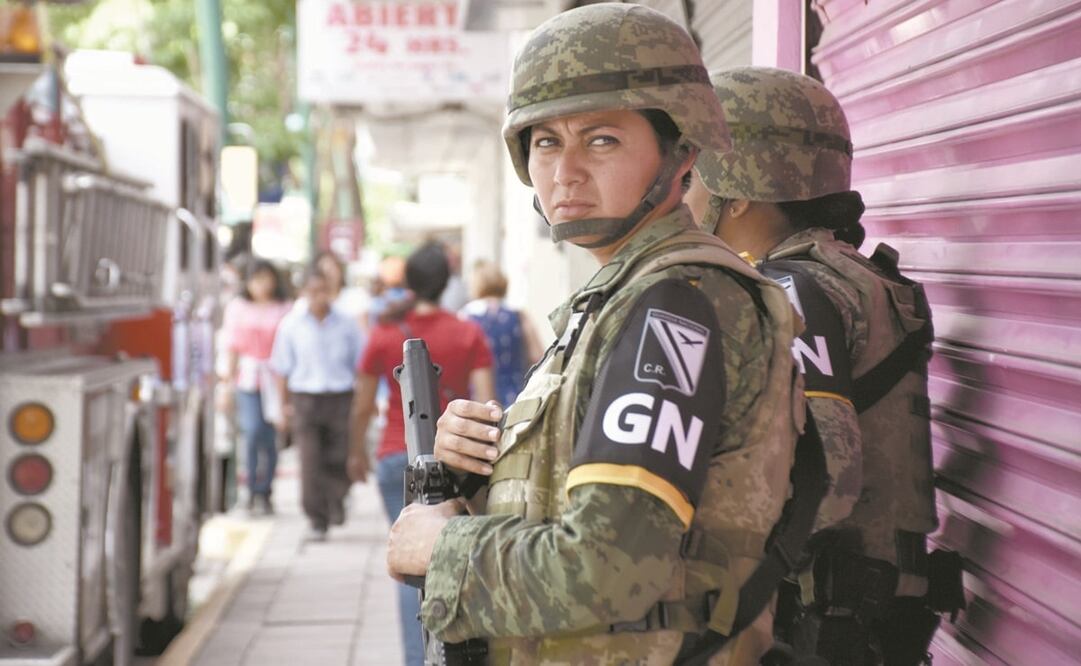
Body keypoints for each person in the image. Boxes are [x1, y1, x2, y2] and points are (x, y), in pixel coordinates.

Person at [384, 5, 805, 664]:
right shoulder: (616, 298)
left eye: (600, 139)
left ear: (680, 151)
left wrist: (441, 547)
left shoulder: (676, 306)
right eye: (545, 141)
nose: (565, 171)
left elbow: (609, 566)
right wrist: (477, 476)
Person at [685, 67, 956, 666]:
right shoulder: (842, 277)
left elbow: (819, 480)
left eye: (689, 172)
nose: (678, 192)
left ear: (736, 185)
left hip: (820, 628)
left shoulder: (791, 290)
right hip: (851, 620)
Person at [350, 242, 496, 666]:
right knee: (449, 562)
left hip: (396, 458)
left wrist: (355, 452)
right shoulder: (468, 333)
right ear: (447, 282)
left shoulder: (382, 333)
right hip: (455, 462)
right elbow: (487, 405)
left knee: (411, 566)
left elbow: (361, 405)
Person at [270, 265, 365, 540]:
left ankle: (336, 500)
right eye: (313, 291)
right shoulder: (290, 325)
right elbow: (282, 369)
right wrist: (284, 406)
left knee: (338, 456)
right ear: (304, 293)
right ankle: (316, 518)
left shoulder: (347, 324)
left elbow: (360, 364)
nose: (319, 297)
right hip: (305, 399)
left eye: (324, 290)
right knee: (310, 460)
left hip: (340, 397)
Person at [218, 258, 292, 514]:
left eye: (265, 277)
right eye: (255, 279)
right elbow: (232, 348)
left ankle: (265, 490)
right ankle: (250, 488)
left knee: (270, 437)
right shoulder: (237, 307)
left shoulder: (285, 308)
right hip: (247, 379)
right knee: (251, 432)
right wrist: (227, 385)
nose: (261, 284)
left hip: (275, 379)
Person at [460, 260, 546, 407]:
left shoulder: (466, 316)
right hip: (517, 395)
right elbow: (537, 355)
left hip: (478, 399)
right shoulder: (518, 313)